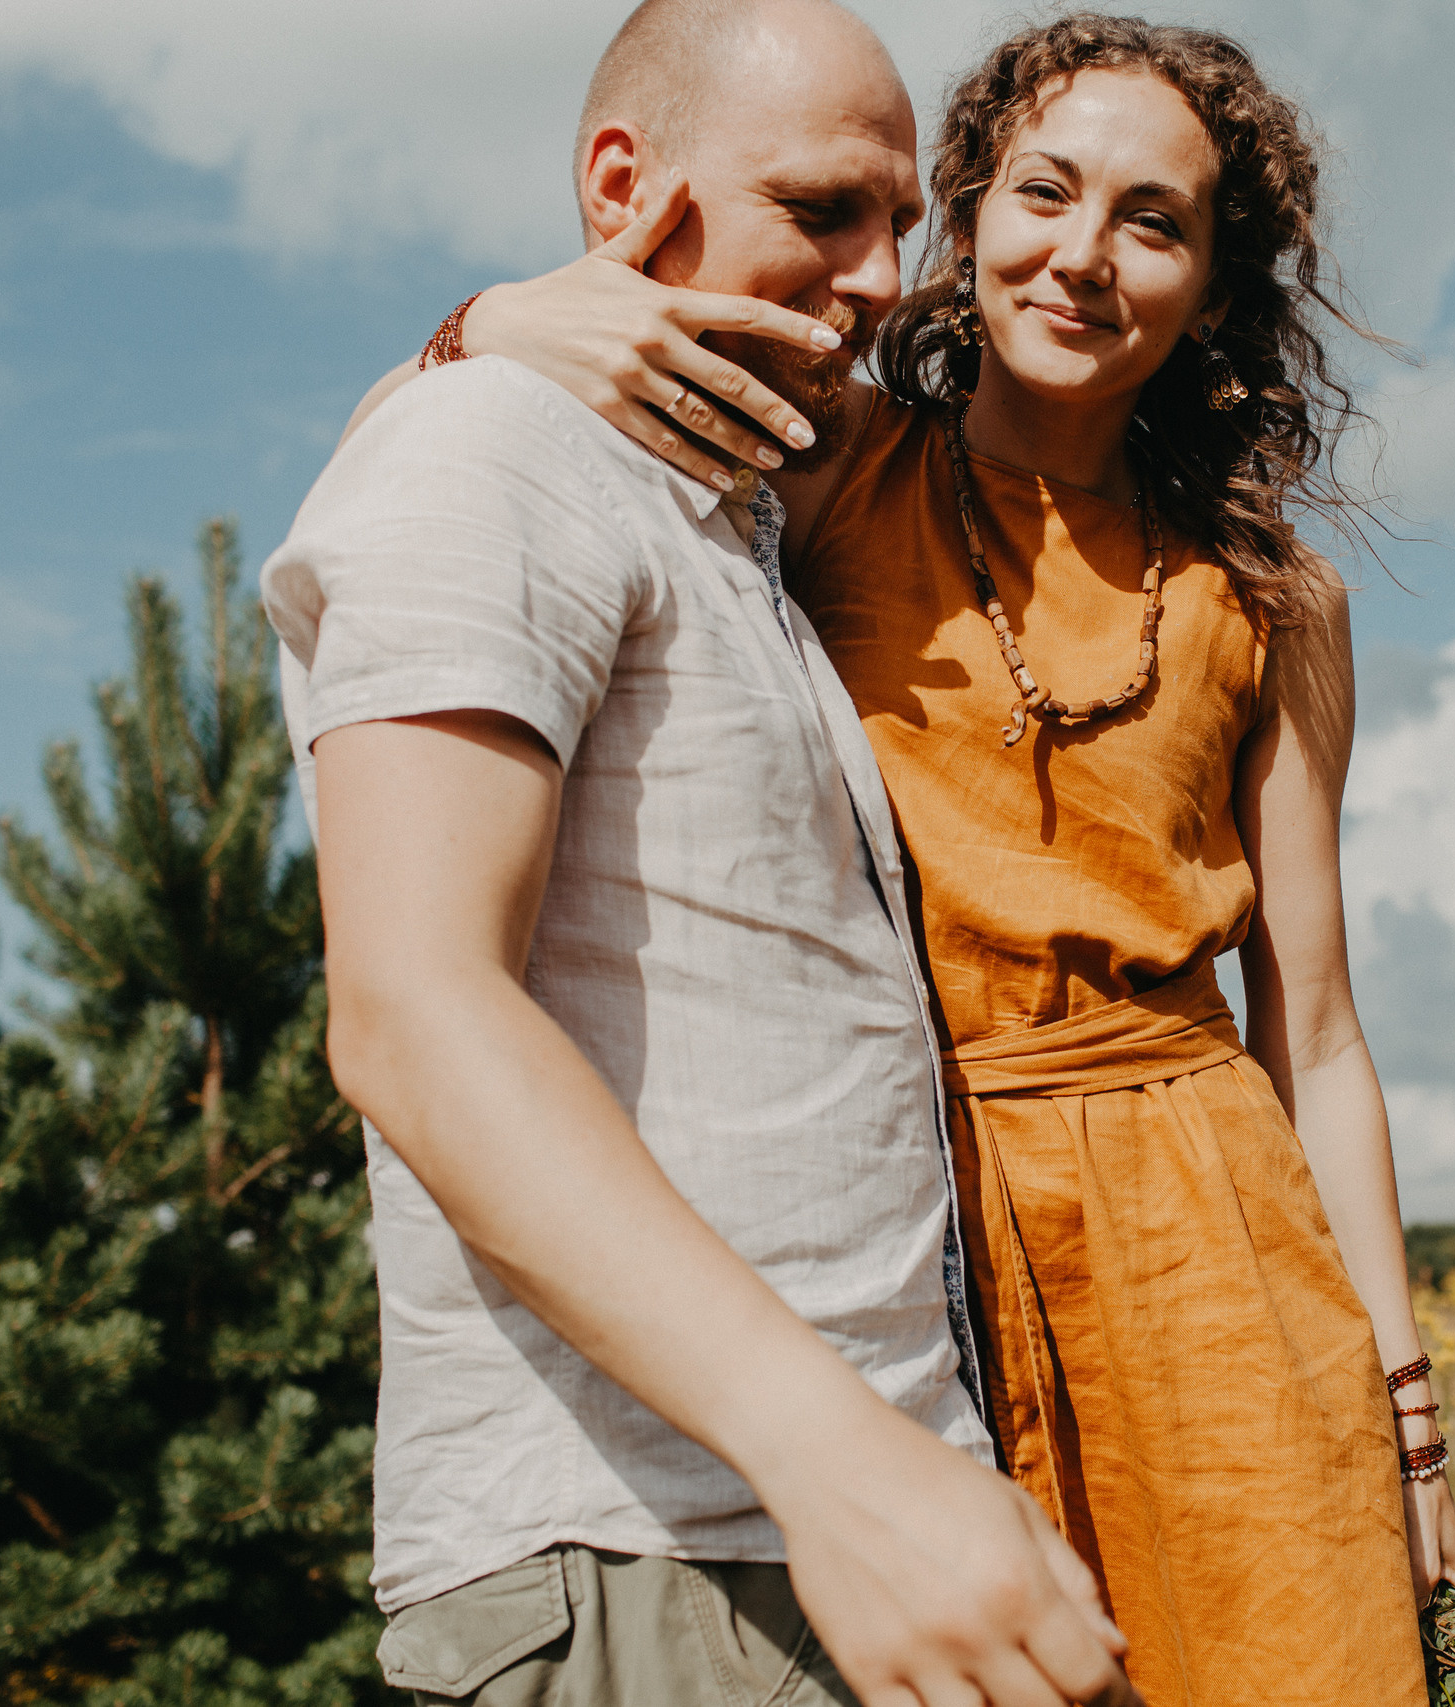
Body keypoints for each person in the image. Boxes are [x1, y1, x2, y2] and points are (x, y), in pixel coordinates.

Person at [346, 14, 1455, 1705]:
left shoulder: (1274, 598)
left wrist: (1409, 1417)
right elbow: (429, 461)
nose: (1084, 255)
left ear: (1210, 289)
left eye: (1155, 222)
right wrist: (499, 319)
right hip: (929, 1237)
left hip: (1215, 1249)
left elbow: (1314, 1035)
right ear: (967, 218)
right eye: (1046, 192)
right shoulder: (827, 465)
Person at [263, 2, 1140, 1704]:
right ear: (622, 186)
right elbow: (414, 1015)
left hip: (848, 1535)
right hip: (648, 1554)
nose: (882, 276)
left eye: (901, 222)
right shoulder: (489, 448)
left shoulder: (733, 510)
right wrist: (843, 1464)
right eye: (821, 210)